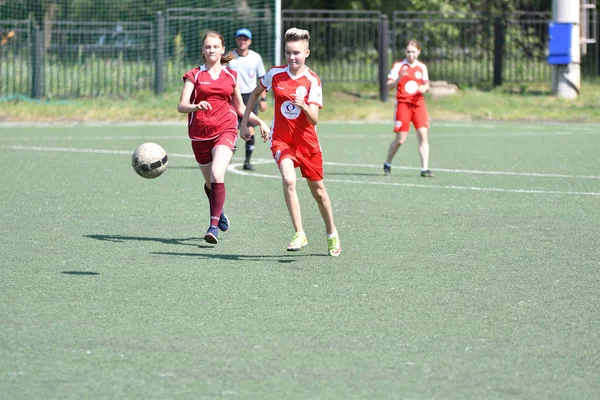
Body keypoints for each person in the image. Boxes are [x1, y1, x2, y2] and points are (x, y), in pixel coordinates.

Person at [240, 27, 341, 257]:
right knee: (288, 179)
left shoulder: (312, 80)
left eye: (296, 52)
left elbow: (314, 119)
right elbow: (256, 93)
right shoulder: (275, 74)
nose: (292, 57)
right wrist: (245, 121)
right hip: (282, 140)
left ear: (307, 53)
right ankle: (299, 232)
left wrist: (304, 104)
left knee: (319, 193)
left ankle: (331, 233)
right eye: (288, 52)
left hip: (307, 143)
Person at [177, 31, 269, 244]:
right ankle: (220, 211)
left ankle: (213, 225)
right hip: (199, 135)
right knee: (210, 183)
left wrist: (259, 122)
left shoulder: (231, 76)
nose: (212, 50)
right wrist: (195, 106)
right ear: (202, 50)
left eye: (216, 47)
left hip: (226, 129)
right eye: (208, 47)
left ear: (222, 49)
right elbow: (181, 106)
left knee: (218, 175)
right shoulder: (194, 75)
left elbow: (240, 107)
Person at [383, 39, 433, 177]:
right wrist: (399, 77)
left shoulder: (422, 67)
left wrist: (425, 88)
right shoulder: (399, 65)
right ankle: (387, 163)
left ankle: (424, 169)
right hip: (403, 104)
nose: (410, 54)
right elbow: (389, 85)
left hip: (418, 104)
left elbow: (426, 85)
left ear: (418, 52)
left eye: (413, 51)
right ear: (405, 52)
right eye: (408, 51)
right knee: (400, 139)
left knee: (423, 135)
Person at [228, 28, 267, 171]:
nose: (242, 41)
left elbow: (262, 78)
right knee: (231, 128)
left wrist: (264, 99)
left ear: (249, 41)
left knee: (250, 129)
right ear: (236, 40)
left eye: (245, 39)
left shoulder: (256, 57)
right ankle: (226, 157)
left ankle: (247, 161)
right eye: (240, 38)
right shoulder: (230, 56)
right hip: (233, 97)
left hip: (251, 96)